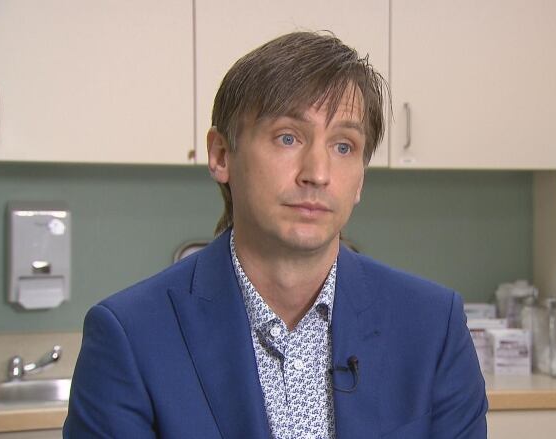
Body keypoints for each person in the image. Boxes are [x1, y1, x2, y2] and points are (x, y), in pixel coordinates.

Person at [64, 31, 487, 439]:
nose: (318, 174)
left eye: (344, 147)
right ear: (221, 155)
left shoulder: (433, 326)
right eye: (288, 137)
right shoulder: (130, 338)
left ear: (360, 180)